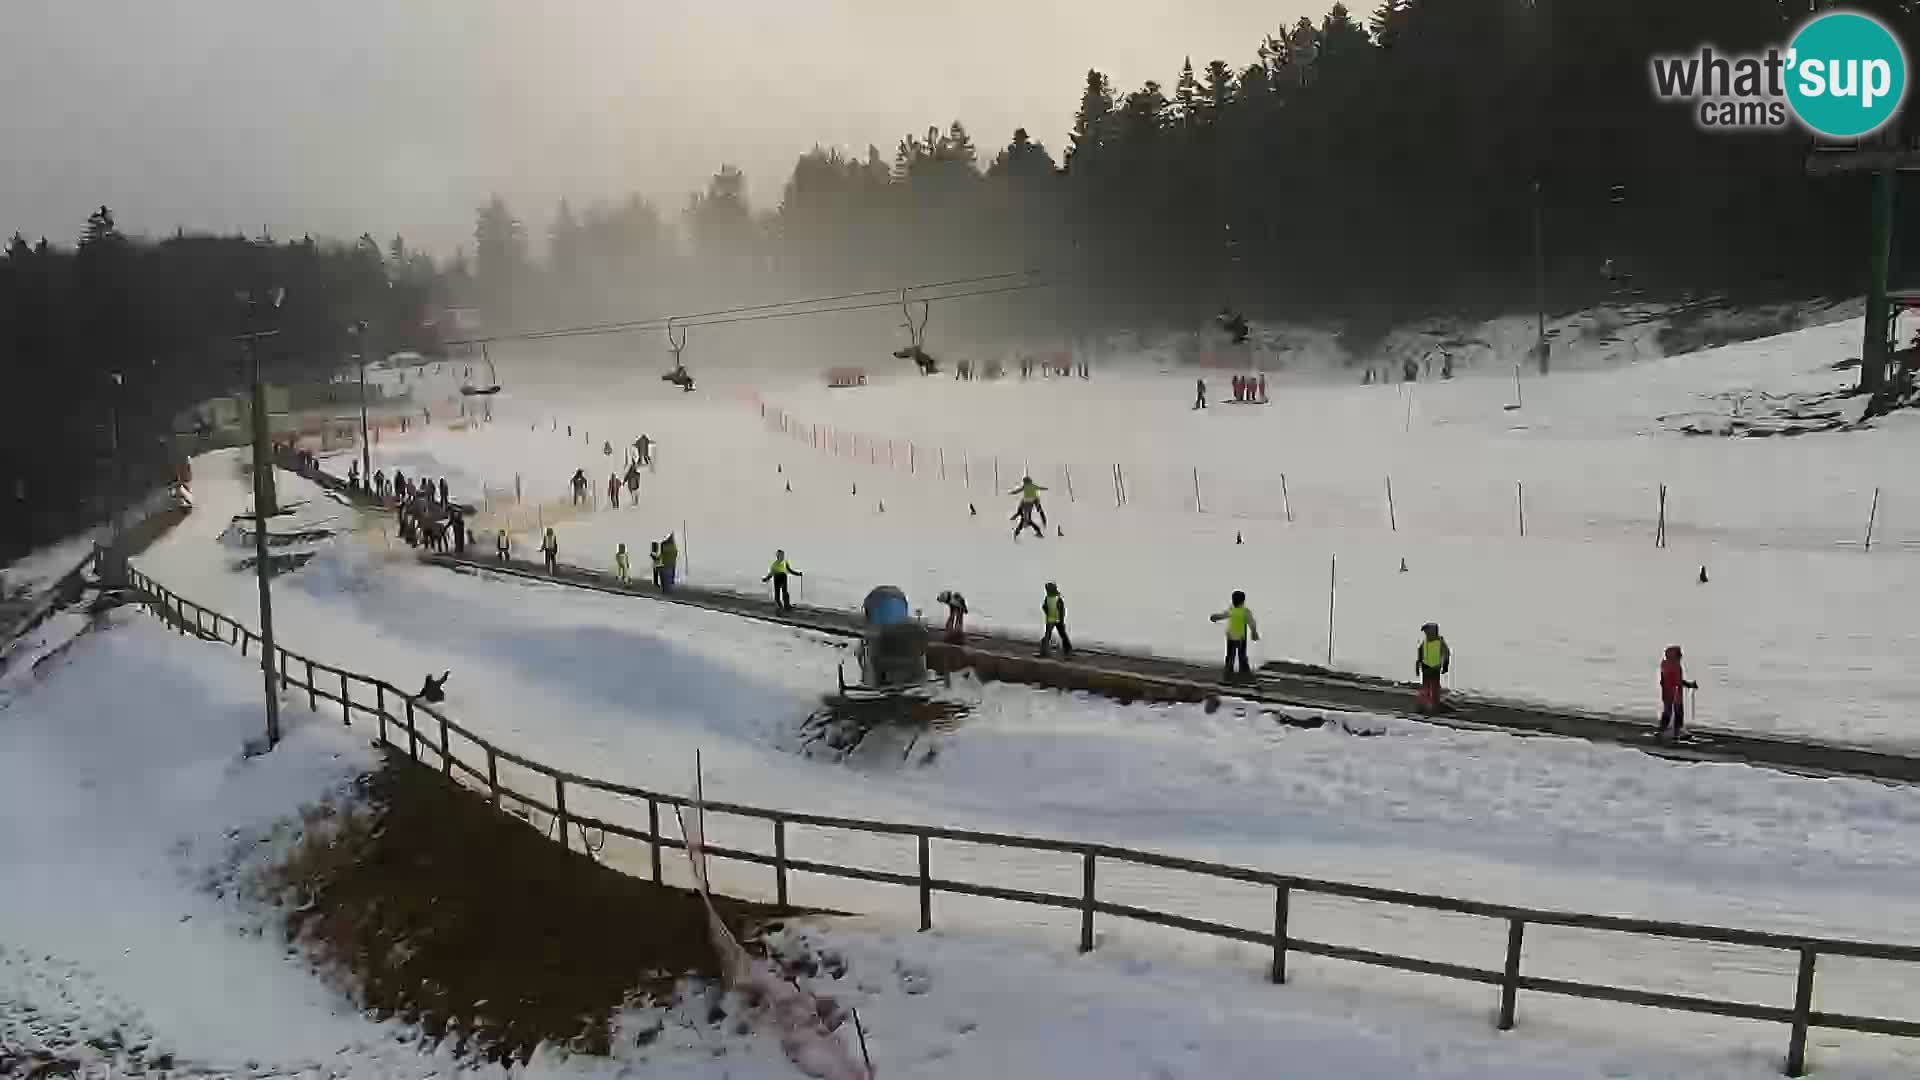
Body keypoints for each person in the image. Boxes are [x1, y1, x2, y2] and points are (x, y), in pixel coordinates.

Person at [1209, 591, 1260, 681]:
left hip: (1231, 637)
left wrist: (1215, 617)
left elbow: (1223, 615)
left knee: (1230, 656)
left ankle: (1229, 673)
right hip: (1240, 638)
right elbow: (1252, 623)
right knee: (1241, 656)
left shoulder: (1231, 610)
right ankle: (1243, 673)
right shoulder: (1245, 611)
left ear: (1233, 601)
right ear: (1243, 601)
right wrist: (1254, 632)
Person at [1658, 645, 1699, 741]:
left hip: (1669, 692)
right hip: (1674, 692)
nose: (1681, 656)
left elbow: (1668, 679)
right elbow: (1676, 680)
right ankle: (1676, 731)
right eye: (1679, 654)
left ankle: (1665, 730)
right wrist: (1689, 684)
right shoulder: (1673, 665)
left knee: (1669, 711)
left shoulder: (1666, 664)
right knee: (1677, 712)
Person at [1415, 622, 1451, 714]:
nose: (1426, 634)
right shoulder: (1425, 642)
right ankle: (1424, 705)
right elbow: (1420, 653)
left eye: (1427, 632)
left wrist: (1445, 665)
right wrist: (1418, 664)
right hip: (1426, 667)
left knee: (1434, 688)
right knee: (1426, 688)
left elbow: (1446, 653)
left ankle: (1434, 705)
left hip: (1435, 668)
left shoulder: (1440, 642)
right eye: (1425, 632)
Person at [1039, 582, 1072, 659]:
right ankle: (1044, 651)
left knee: (1061, 635)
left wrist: (1061, 619)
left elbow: (1062, 610)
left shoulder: (1057, 599)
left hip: (1057, 620)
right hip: (1051, 619)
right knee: (1048, 635)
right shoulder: (1048, 598)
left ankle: (1068, 650)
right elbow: (1044, 607)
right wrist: (1048, 613)